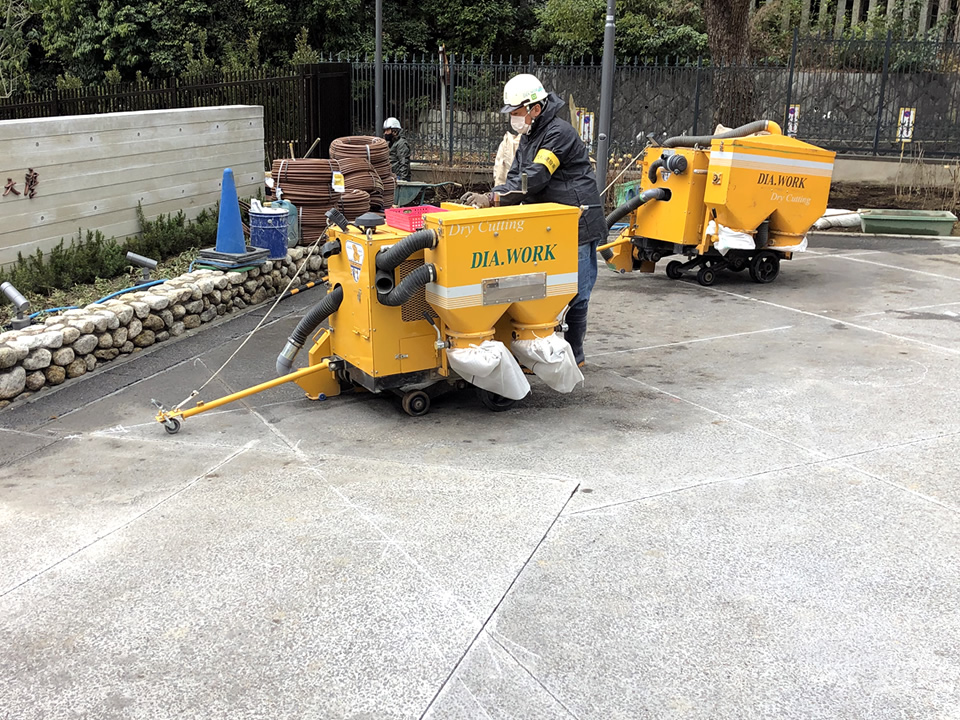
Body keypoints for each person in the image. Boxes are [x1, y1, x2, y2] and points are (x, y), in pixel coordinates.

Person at [460, 74, 605, 368]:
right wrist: (491, 196)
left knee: (575, 291)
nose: (513, 118)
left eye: (516, 112)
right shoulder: (529, 136)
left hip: (576, 221)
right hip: (549, 222)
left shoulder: (558, 134)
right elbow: (516, 177)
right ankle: (542, 349)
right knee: (543, 290)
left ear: (535, 109)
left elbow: (536, 177)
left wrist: (493, 200)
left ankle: (575, 354)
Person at [383, 117, 411, 181]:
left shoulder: (401, 143)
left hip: (398, 177)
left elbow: (404, 162)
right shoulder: (392, 143)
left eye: (387, 130)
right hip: (392, 176)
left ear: (394, 131)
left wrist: (403, 180)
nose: (385, 133)